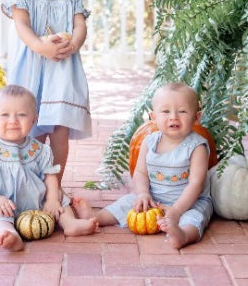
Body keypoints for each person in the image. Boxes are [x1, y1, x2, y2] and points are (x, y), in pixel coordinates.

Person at [1, 0, 91, 188]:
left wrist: (73, 44)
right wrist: (41, 47)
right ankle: (33, 185)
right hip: (32, 67)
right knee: (33, 126)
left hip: (63, 69)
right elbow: (22, 26)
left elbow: (79, 26)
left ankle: (55, 186)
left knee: (59, 129)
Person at [73, 82, 213, 249]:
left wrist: (176, 210)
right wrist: (143, 193)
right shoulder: (150, 141)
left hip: (189, 201)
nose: (173, 117)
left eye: (182, 111)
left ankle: (183, 235)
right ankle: (98, 216)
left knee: (195, 218)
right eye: (166, 111)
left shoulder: (197, 147)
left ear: (196, 117)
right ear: (154, 117)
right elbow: (140, 173)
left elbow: (196, 184)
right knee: (128, 202)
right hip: (153, 197)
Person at [0, 85, 99, 252]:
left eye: (21, 115)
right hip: (0, 200)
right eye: (5, 115)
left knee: (60, 198)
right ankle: (8, 234)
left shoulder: (40, 149)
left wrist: (52, 200)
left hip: (32, 198)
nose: (13, 120)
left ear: (34, 119)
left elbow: (50, 176)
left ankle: (69, 223)